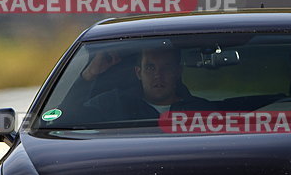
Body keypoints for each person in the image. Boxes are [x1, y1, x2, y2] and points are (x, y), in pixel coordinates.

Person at [62, 45, 213, 123]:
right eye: (150, 67)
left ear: (178, 72)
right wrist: (89, 75)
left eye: (166, 67)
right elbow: (61, 120)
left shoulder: (203, 111)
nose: (158, 75)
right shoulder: (112, 105)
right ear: (138, 72)